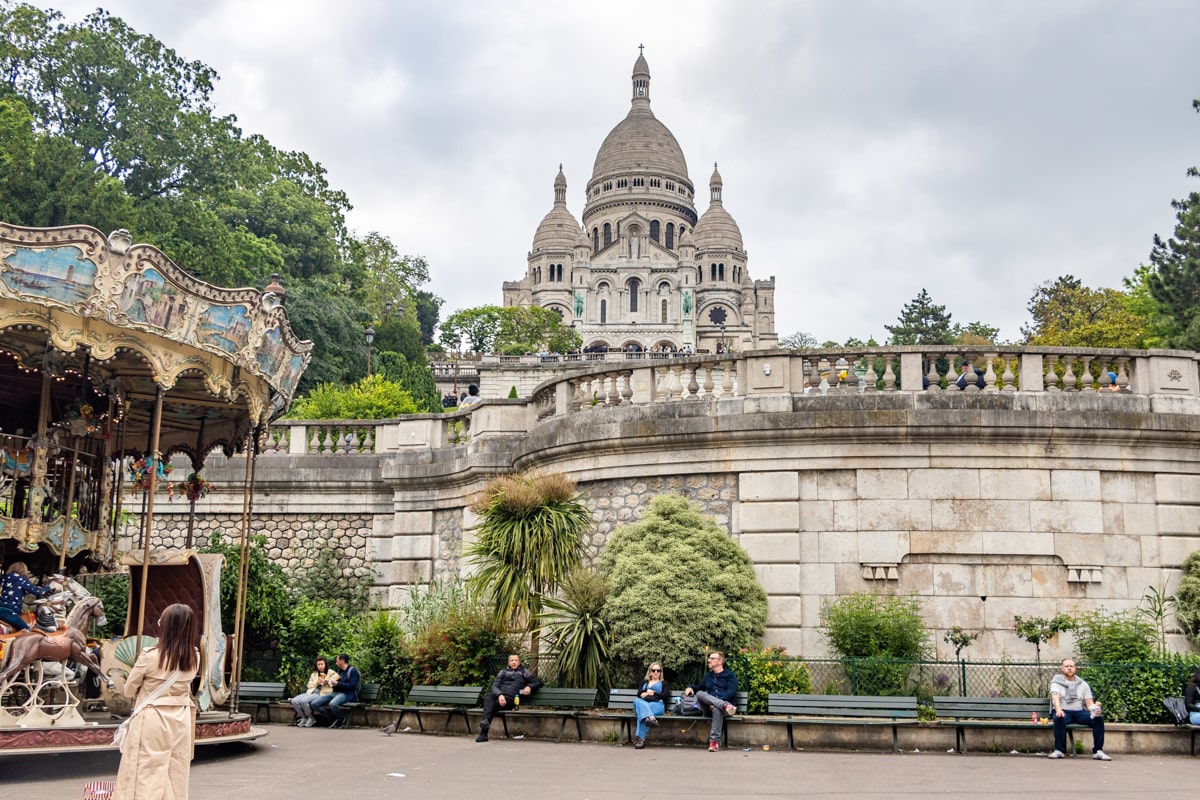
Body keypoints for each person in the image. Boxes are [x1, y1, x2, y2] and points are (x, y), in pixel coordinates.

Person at [113, 603, 200, 800]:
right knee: (175, 771)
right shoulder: (195, 657)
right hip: (181, 719)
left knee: (145, 772)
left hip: (152, 718)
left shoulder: (150, 657)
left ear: (165, 626)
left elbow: (128, 691)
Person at [1048, 657, 1110, 760]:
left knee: (1098, 719)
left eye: (1071, 666)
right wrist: (1059, 710)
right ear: (1062, 669)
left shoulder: (1083, 684)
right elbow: (1055, 698)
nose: (1069, 668)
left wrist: (1095, 710)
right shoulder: (1056, 682)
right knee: (1059, 718)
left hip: (1079, 712)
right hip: (1064, 711)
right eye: (1066, 666)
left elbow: (1089, 703)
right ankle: (1059, 750)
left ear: (1075, 668)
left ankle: (1098, 751)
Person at [476, 653, 543, 742]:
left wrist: (529, 687)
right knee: (489, 698)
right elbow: (494, 687)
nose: (514, 662)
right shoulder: (503, 672)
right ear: (508, 662)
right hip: (500, 698)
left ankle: (483, 732)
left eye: (516, 660)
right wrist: (500, 695)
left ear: (519, 662)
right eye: (512, 660)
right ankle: (485, 724)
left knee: (489, 707)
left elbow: (538, 682)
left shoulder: (524, 673)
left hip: (511, 700)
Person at [683, 651, 739, 752]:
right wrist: (690, 687)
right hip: (711, 707)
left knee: (717, 709)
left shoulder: (730, 676)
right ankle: (724, 705)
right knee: (700, 693)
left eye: (712, 658)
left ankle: (714, 742)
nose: (709, 660)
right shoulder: (708, 676)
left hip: (726, 710)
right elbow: (700, 687)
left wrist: (716, 704)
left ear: (720, 661)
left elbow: (731, 692)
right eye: (709, 658)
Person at [310, 653, 360, 729]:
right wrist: (329, 682)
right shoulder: (339, 671)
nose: (336, 663)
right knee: (314, 703)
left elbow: (352, 686)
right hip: (336, 693)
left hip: (347, 694)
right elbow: (336, 683)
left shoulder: (353, 671)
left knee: (333, 704)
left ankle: (340, 718)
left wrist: (338, 684)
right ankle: (332, 718)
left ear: (342, 661)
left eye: (337, 661)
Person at [0, 562, 52, 631]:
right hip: (9, 611)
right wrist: (48, 588)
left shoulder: (5, 578)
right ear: (24, 571)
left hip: (1, 607)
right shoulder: (22, 580)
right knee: (26, 630)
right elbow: (37, 591)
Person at [290, 656, 336, 727]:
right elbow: (309, 685)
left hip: (321, 693)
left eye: (322, 664)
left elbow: (335, 683)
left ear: (325, 664)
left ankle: (311, 718)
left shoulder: (331, 673)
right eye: (318, 664)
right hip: (311, 692)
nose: (320, 666)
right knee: (294, 701)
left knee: (304, 701)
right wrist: (316, 683)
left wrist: (327, 681)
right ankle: (304, 717)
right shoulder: (314, 674)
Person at [632, 662, 669, 749]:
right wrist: (644, 693)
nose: (656, 672)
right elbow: (639, 694)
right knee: (637, 701)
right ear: (650, 672)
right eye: (653, 670)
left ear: (660, 672)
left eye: (658, 670)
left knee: (642, 713)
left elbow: (665, 695)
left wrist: (653, 693)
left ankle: (641, 740)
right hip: (644, 703)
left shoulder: (664, 683)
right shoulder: (644, 682)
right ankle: (651, 717)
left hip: (657, 705)